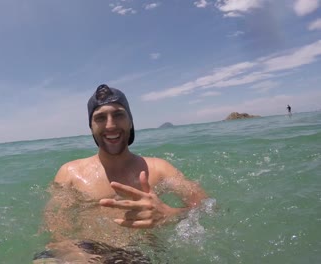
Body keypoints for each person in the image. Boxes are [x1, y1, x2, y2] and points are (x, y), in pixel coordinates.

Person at [35, 84, 208, 263]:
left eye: (118, 114)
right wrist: (73, 253)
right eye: (100, 118)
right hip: (83, 251)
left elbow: (206, 205)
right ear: (91, 126)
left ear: (131, 121)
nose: (110, 125)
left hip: (134, 253)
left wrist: (169, 214)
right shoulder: (70, 173)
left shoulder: (159, 169)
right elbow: (55, 227)